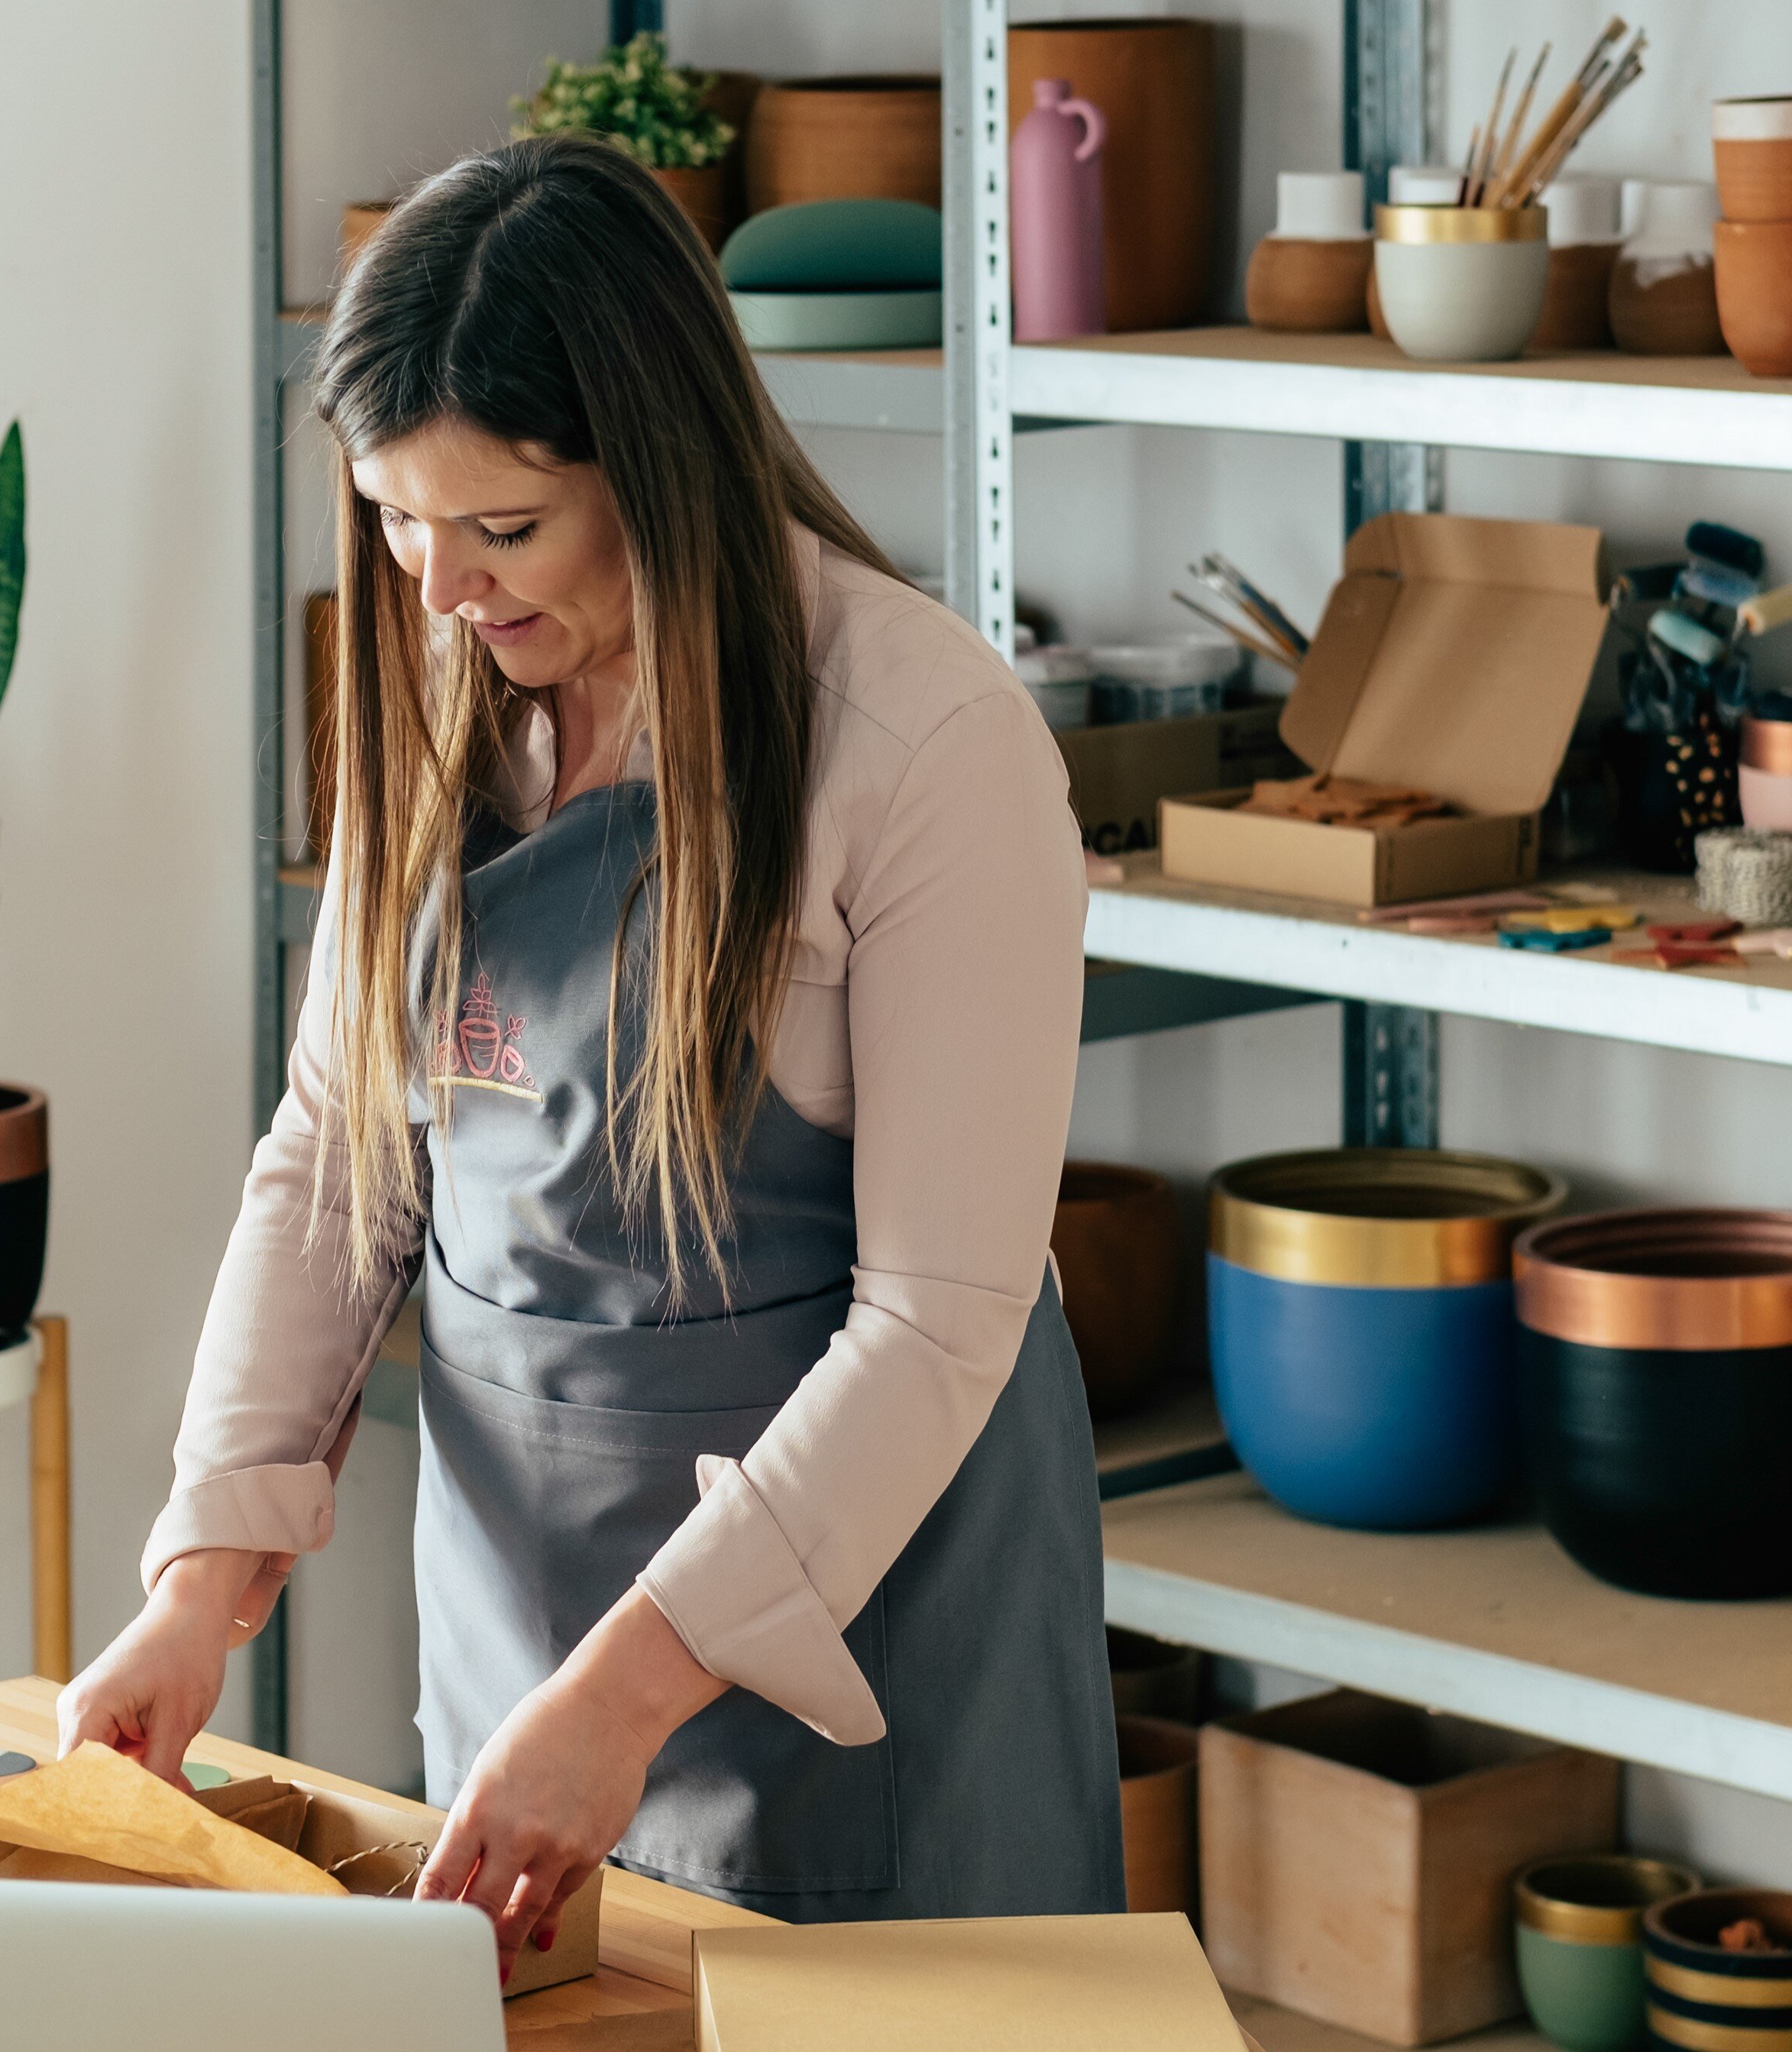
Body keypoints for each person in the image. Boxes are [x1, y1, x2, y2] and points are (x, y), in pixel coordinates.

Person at [55, 133, 1118, 1954]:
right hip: (519, 1651)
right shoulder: (450, 706)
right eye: (397, 520)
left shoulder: (921, 740)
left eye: (503, 527)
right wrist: (197, 1575)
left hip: (858, 1654)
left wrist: (626, 1694)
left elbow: (941, 1320)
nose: (442, 590)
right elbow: (334, 1158)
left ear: (661, 459)